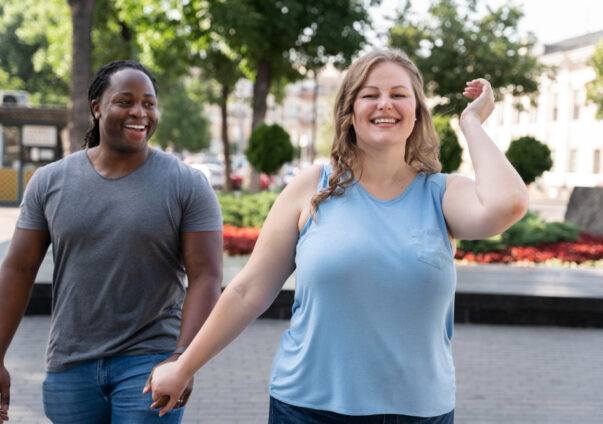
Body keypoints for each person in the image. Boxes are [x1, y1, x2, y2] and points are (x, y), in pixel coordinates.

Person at [145, 50, 529, 423]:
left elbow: (509, 203)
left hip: (418, 411)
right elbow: (247, 292)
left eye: (399, 95)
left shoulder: (442, 193)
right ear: (349, 111)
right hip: (309, 408)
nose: (385, 104)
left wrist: (472, 124)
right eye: (370, 94)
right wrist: (184, 365)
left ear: (416, 111)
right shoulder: (311, 187)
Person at [0, 60, 223, 423]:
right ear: (97, 107)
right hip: (69, 364)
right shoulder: (49, 181)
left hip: (148, 363)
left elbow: (207, 276)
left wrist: (183, 357)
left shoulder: (186, 184)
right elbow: (18, 268)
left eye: (149, 103)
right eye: (126, 101)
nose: (140, 112)